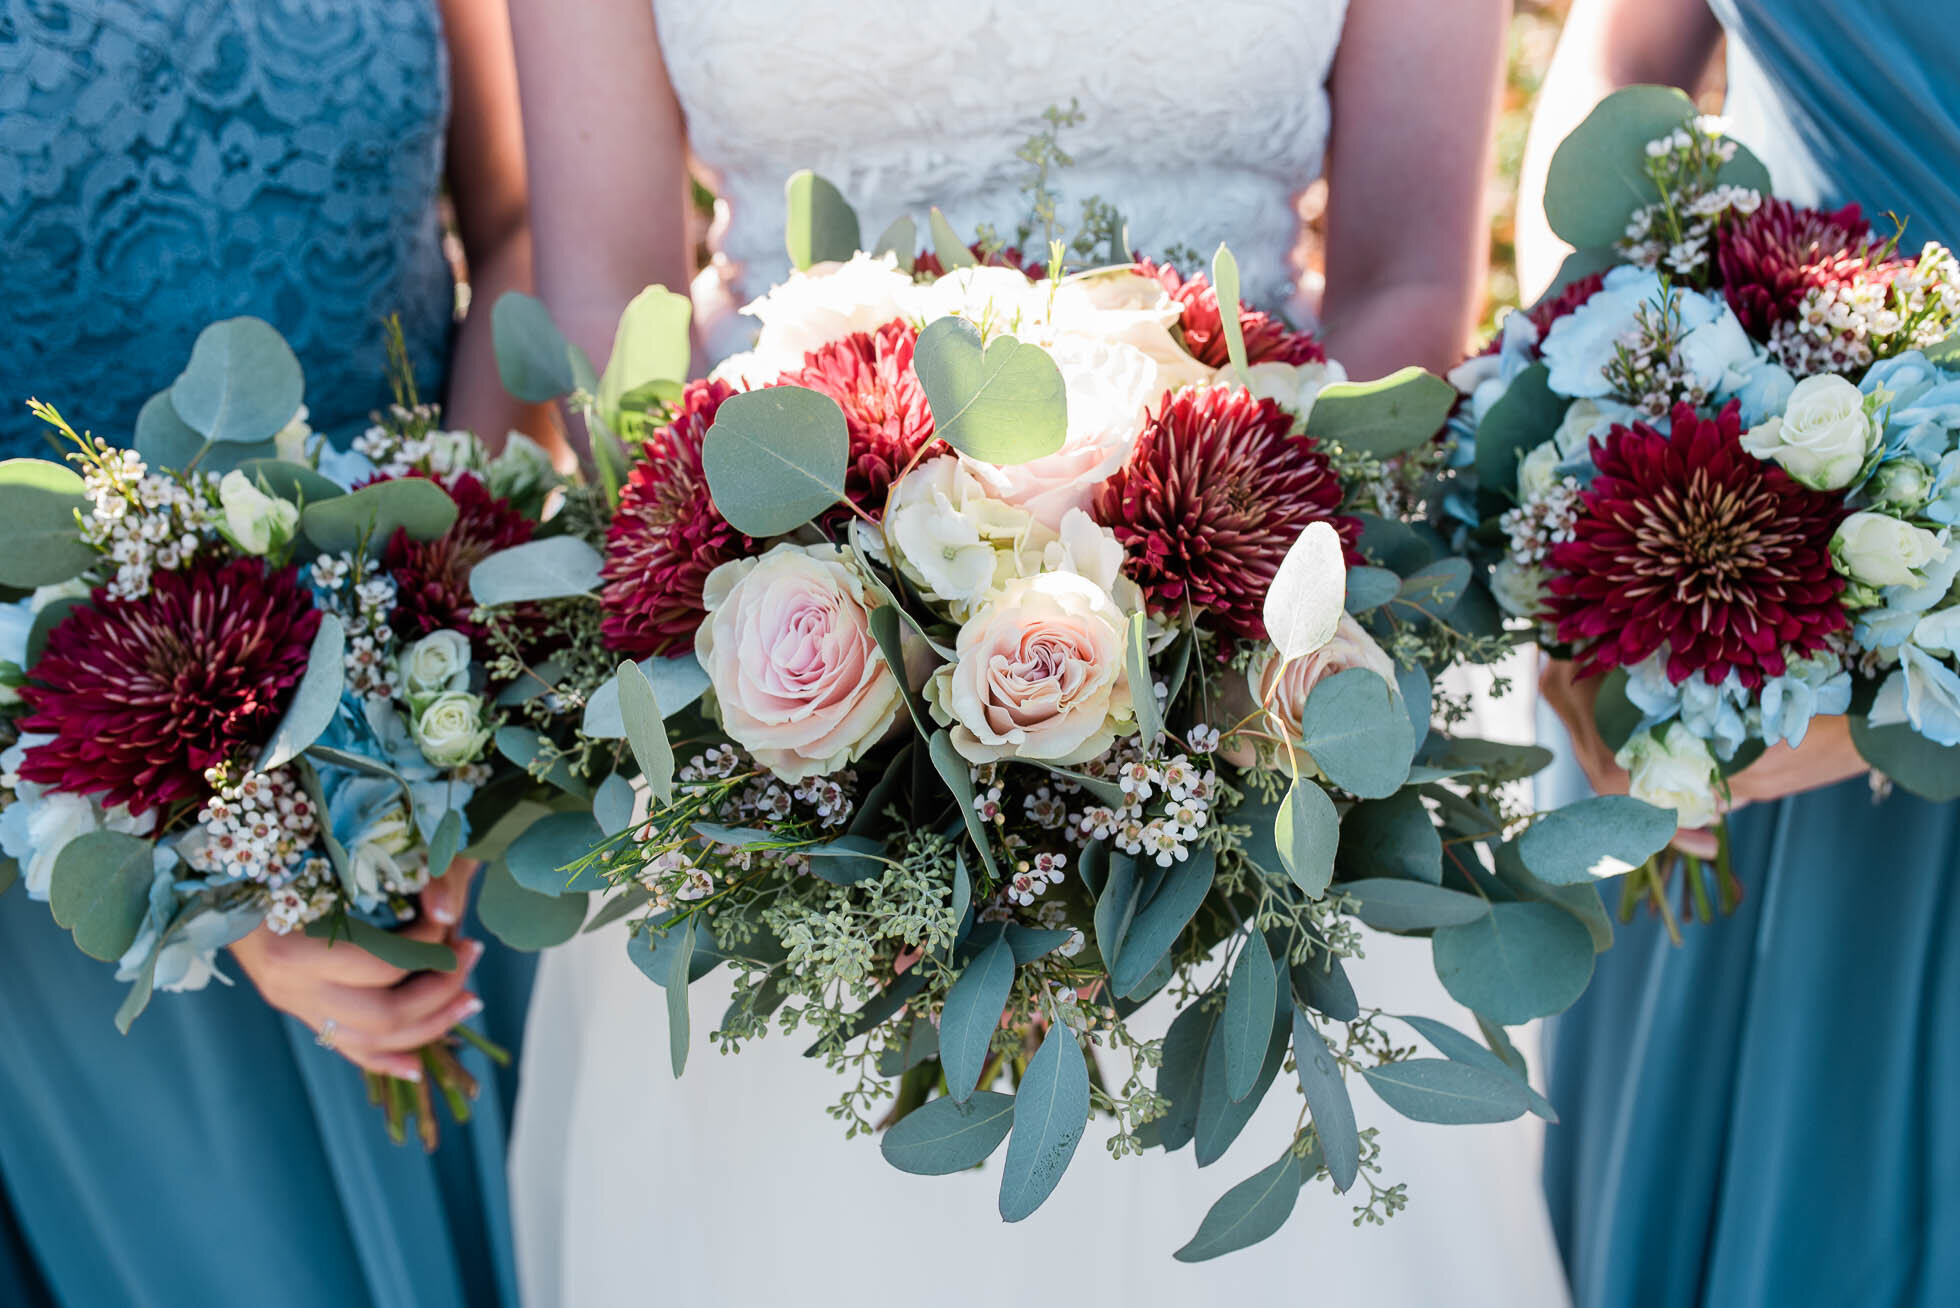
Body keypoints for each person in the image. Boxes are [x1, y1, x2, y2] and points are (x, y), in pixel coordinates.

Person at [501, 3, 1569, 1305]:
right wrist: (857, 633)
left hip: (1248, 650)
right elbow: (609, 306)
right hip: (779, 690)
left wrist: (1194, 656)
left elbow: (1406, 274)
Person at [0, 2, 542, 1303]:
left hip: (447, 740)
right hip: (72, 816)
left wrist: (444, 624)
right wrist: (210, 867)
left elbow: (519, 219)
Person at [1517, 3, 1960, 1305]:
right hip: (1731, 645)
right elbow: (1626, 62)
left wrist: (1909, 674)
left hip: (1848, 685)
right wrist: (1564, 445)